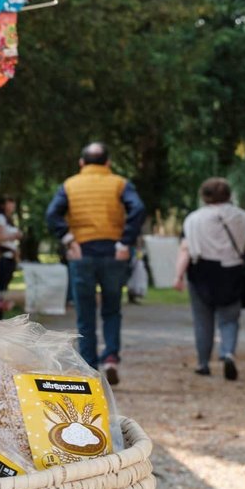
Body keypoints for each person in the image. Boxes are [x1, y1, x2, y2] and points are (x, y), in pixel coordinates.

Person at [44, 142, 146, 384]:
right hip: (113, 253)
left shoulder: (69, 185)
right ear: (108, 163)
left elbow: (52, 214)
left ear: (81, 162)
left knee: (85, 313)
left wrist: (68, 239)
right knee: (112, 309)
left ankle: (89, 369)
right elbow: (138, 208)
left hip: (82, 254)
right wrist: (125, 242)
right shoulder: (120, 183)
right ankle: (110, 357)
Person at [173, 177, 245, 380]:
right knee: (230, 318)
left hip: (201, 271)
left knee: (202, 320)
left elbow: (185, 249)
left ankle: (203, 363)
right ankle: (228, 352)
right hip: (232, 270)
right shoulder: (242, 216)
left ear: (204, 196)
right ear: (228, 195)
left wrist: (178, 275)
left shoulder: (193, 219)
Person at [0, 195, 22, 291]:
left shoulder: (8, 219)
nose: (13, 204)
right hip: (2, 257)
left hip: (10, 257)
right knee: (1, 286)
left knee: (4, 286)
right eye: (9, 202)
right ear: (2, 205)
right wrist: (14, 235)